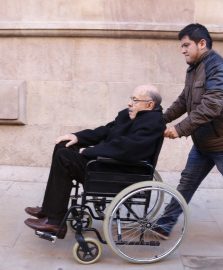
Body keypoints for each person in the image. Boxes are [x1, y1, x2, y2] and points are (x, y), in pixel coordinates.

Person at [24, 84, 166, 239]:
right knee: (64, 146)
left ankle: (55, 221)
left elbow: (126, 148)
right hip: (108, 164)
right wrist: (77, 137)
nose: (130, 103)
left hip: (121, 173)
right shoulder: (130, 115)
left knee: (65, 157)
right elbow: (106, 130)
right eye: (131, 99)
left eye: (135, 100)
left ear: (150, 105)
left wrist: (90, 151)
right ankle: (49, 209)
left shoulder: (153, 123)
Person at [152, 23, 223, 240]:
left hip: (221, 145)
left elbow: (213, 105)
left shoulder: (216, 66)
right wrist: (158, 120)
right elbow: (184, 101)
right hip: (203, 144)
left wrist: (180, 129)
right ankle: (164, 225)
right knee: (186, 184)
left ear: (202, 43)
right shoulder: (193, 68)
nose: (183, 50)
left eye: (186, 45)